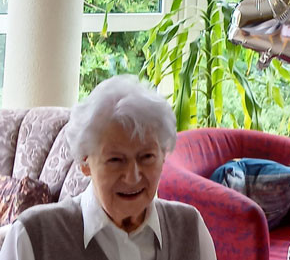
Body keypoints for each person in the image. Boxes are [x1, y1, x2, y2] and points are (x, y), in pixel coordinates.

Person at [0, 75, 216, 260]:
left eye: (147, 157)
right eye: (115, 160)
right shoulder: (33, 237)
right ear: (85, 163)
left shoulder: (190, 229)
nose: (132, 177)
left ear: (163, 157)